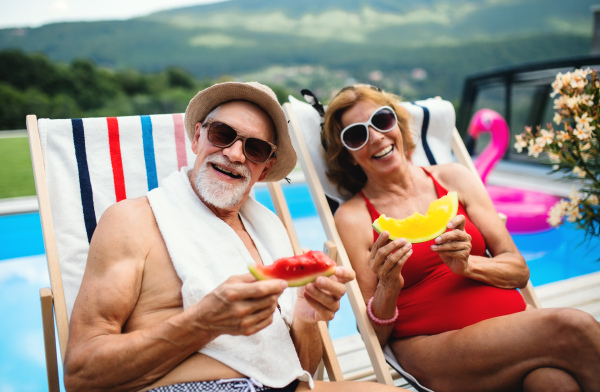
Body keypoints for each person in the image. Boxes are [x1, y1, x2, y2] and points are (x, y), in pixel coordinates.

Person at [63, 81, 410, 392]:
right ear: (198, 136)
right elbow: (81, 375)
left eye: (255, 148)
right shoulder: (133, 221)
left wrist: (306, 316)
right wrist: (202, 322)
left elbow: (303, 371)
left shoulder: (271, 233)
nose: (234, 154)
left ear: (266, 167)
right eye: (222, 134)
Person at [321, 84, 600, 392]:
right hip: (434, 347)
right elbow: (375, 333)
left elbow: (519, 271)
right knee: (574, 326)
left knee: (554, 384)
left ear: (398, 126)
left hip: (513, 332)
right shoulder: (353, 217)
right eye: (356, 135)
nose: (375, 136)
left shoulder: (454, 178)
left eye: (381, 120)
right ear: (348, 156)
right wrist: (389, 286)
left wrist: (468, 266)